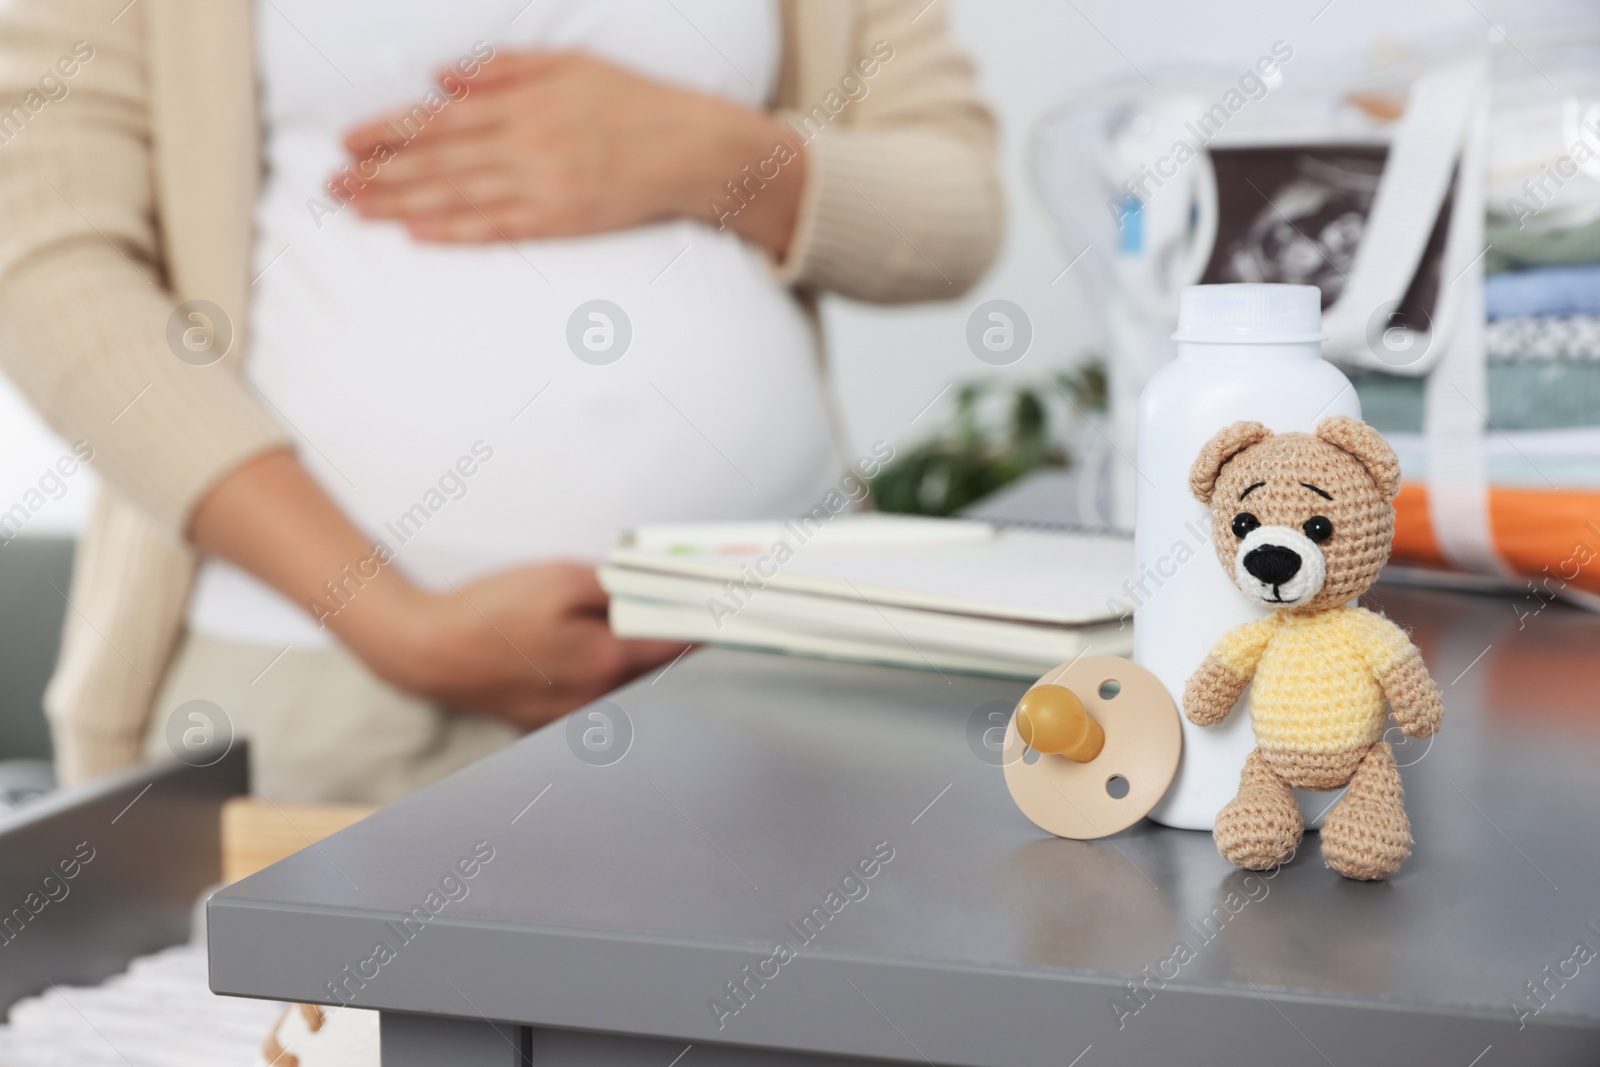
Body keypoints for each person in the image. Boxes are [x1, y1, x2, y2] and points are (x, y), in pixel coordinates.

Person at [0, 0, 1002, 803]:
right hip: (326, 688)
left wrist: (729, 159)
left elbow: (958, 203)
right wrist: (396, 621)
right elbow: (42, 257)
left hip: (785, 659)